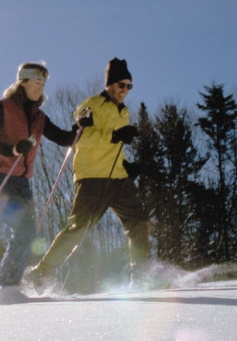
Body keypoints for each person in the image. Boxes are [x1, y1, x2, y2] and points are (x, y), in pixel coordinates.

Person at [26, 57, 150, 287]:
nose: (125, 90)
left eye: (129, 86)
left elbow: (114, 149)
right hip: (93, 177)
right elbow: (82, 138)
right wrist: (114, 136)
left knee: (139, 221)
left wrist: (127, 166)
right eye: (121, 85)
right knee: (80, 228)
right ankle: (41, 271)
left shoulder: (123, 112)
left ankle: (141, 276)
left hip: (118, 178)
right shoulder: (91, 104)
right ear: (110, 84)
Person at [0, 61, 92, 287]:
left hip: (22, 182)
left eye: (43, 83)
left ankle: (1, 286)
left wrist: (80, 127)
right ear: (23, 82)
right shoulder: (4, 107)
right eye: (37, 82)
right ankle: (5, 287)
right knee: (25, 232)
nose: (41, 87)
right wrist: (12, 149)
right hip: (0, 177)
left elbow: (63, 138)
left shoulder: (39, 117)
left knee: (27, 234)